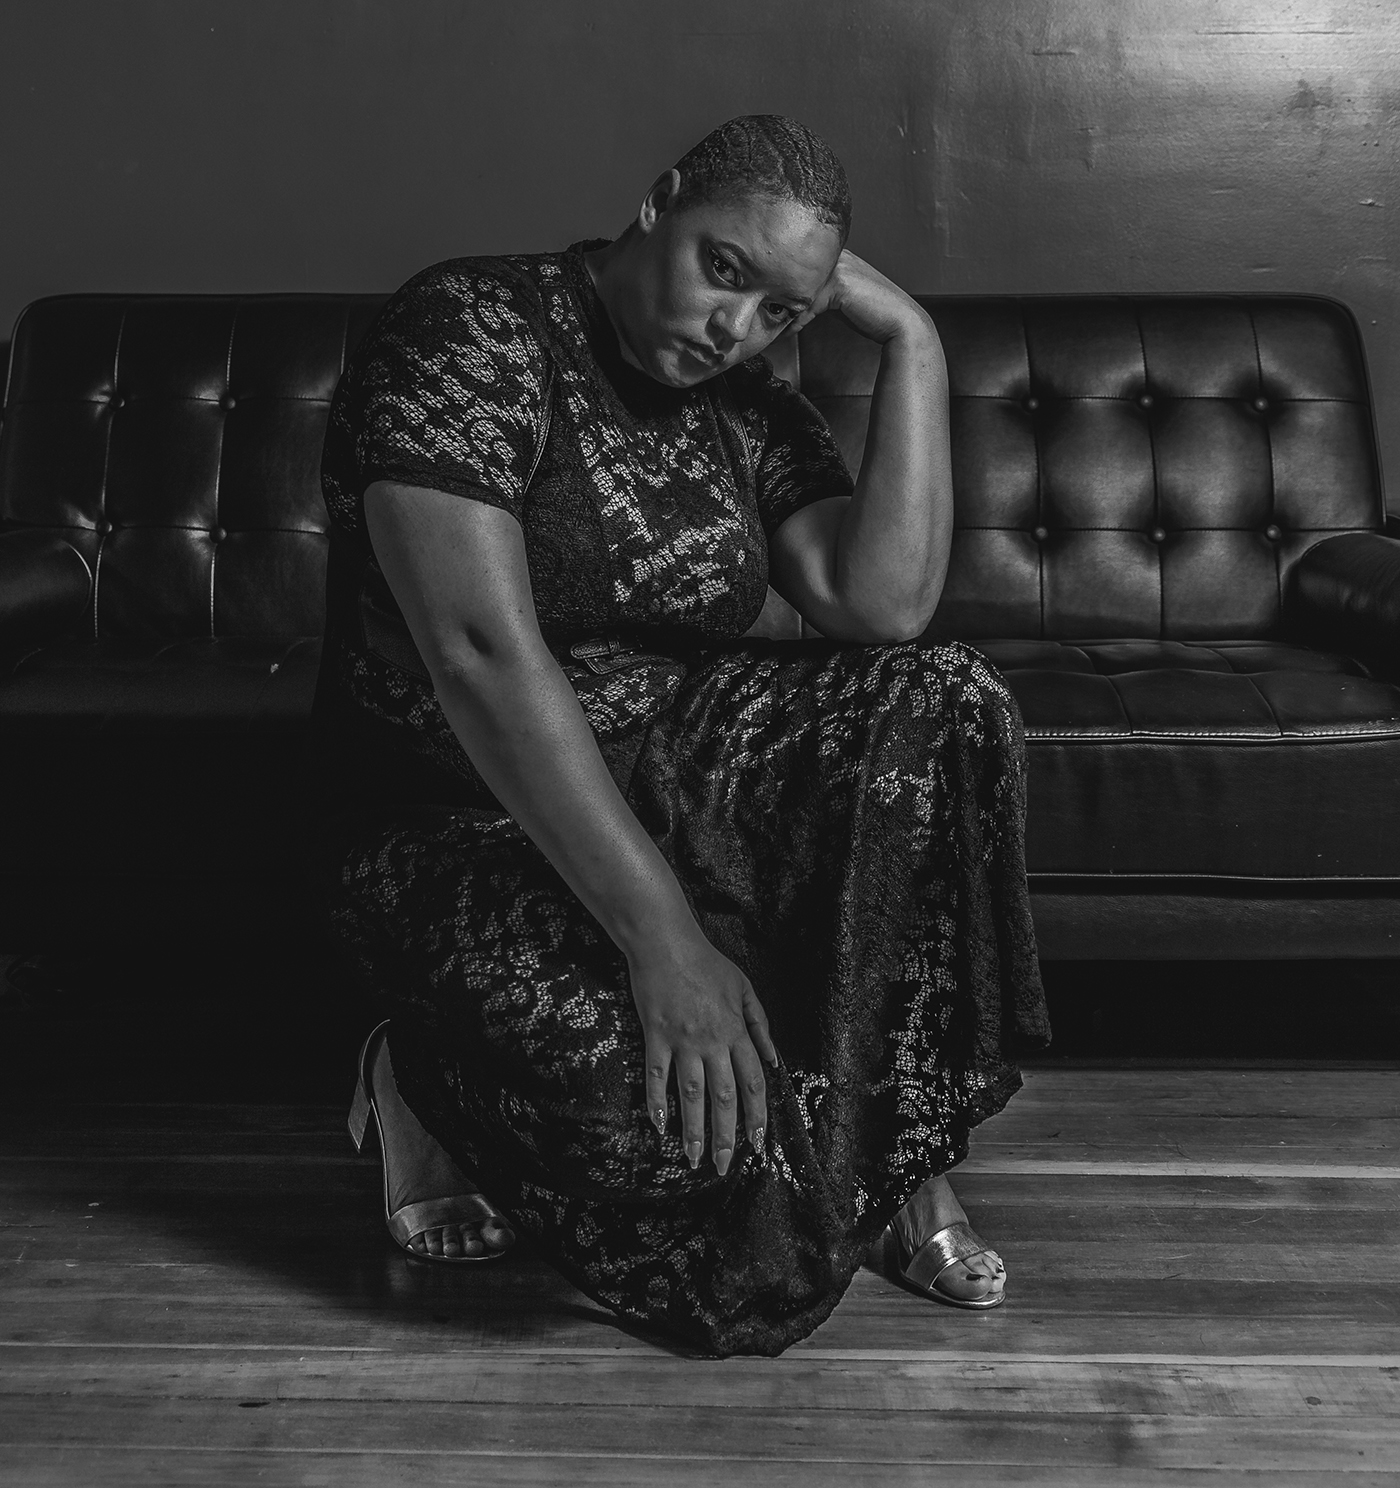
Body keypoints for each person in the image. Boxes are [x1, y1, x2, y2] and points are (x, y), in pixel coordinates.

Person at [311, 114, 1050, 1358]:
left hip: (671, 775)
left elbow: (880, 606)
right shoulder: (475, 328)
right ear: (656, 204)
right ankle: (420, 1074)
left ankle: (895, 1154)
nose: (734, 329)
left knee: (942, 693)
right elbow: (479, 654)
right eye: (724, 270)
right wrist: (668, 948)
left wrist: (911, 341)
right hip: (452, 817)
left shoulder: (742, 402)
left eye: (778, 313)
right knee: (661, 1135)